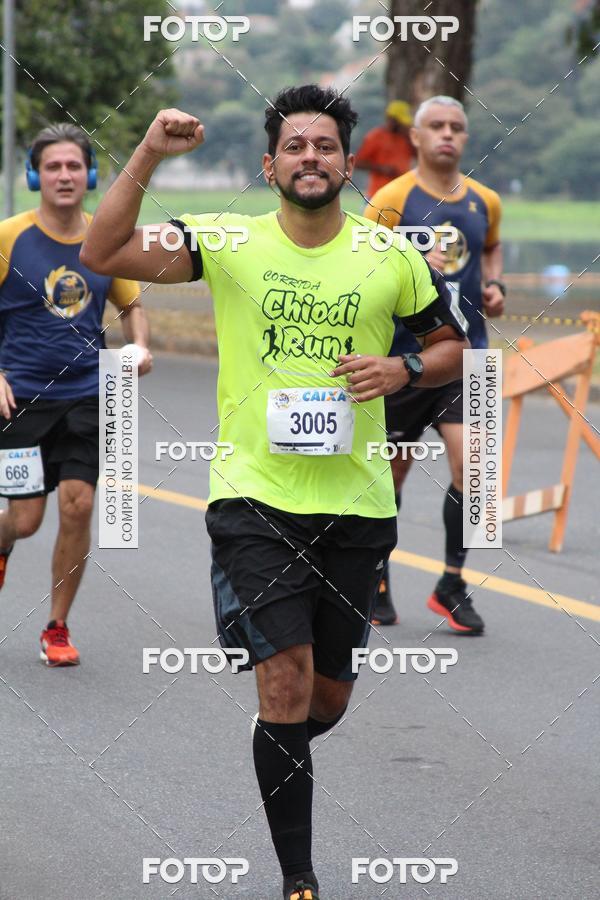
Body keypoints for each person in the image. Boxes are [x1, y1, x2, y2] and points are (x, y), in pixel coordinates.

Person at [81, 85, 468, 900]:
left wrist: (400, 367)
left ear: (348, 162)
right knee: (284, 679)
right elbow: (103, 253)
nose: (310, 158)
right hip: (253, 496)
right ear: (269, 165)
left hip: (358, 504)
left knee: (324, 699)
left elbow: (448, 349)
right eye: (295, 146)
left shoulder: (389, 254)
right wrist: (148, 150)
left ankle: (267, 676)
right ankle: (300, 879)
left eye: (325, 146)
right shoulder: (226, 240)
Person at [0, 123, 152, 666]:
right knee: (24, 521)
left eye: (73, 166)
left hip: (92, 393)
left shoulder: (103, 238)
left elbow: (133, 306)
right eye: (52, 166)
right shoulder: (9, 236)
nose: (63, 175)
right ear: (34, 175)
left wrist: (139, 348)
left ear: (88, 175)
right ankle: (2, 547)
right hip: (21, 400)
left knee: (80, 503)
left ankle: (57, 626)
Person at [364, 95, 505, 633]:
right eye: (437, 126)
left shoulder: (486, 200)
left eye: (458, 127)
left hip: (468, 356)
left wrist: (494, 285)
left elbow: (490, 251)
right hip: (405, 359)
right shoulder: (390, 199)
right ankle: (375, 578)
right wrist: (404, 261)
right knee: (390, 475)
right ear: (416, 138)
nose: (448, 134)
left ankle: (451, 584)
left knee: (475, 470)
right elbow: (358, 264)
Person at [354, 100, 414, 198]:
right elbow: (358, 162)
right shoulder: (376, 136)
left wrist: (410, 136)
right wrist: (381, 168)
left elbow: (419, 155)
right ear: (391, 119)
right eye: (401, 122)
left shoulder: (405, 137)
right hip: (378, 194)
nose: (404, 125)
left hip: (402, 194)